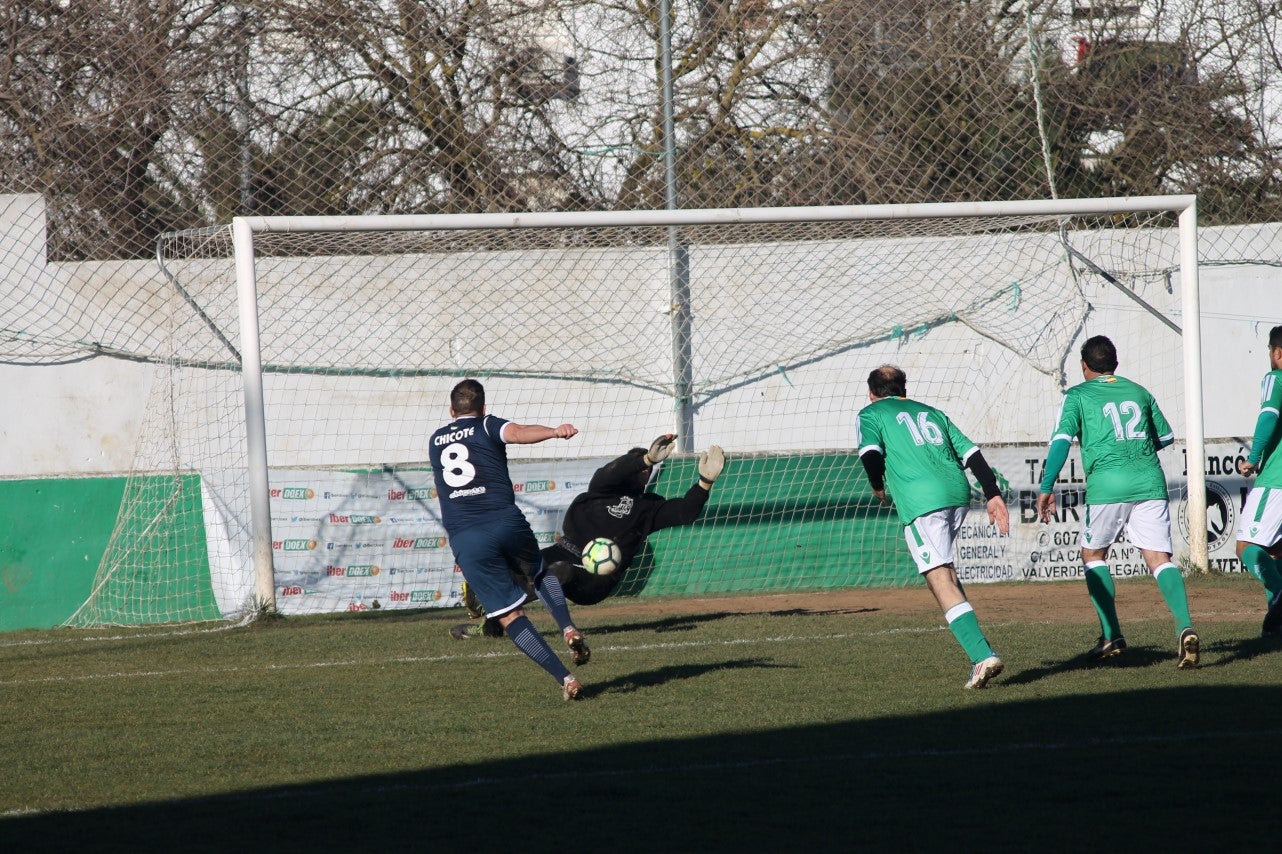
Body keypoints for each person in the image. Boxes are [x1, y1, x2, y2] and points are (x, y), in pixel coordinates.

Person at [452, 433, 726, 638]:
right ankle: (490, 627)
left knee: (558, 572)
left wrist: (705, 482)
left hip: (597, 579)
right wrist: (646, 458)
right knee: (512, 563)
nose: (644, 472)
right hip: (566, 549)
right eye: (640, 467)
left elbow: (685, 512)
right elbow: (611, 472)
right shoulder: (601, 488)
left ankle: (501, 609)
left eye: (648, 471)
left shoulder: (648, 508)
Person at [1035, 335, 1200, 668]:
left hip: (1107, 486)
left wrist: (1046, 485)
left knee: (1093, 554)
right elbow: (1164, 436)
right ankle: (1185, 625)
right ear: (1116, 363)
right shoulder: (1139, 392)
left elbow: (1061, 442)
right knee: (1159, 558)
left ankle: (1111, 635)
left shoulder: (1076, 396)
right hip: (1149, 481)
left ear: (1084, 366)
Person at [428, 378, 588, 700]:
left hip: (466, 537)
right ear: (483, 408)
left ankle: (566, 679)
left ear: (451, 409)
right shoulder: (486, 425)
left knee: (509, 616)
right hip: (504, 521)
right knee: (540, 573)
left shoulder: (435, 440)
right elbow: (517, 433)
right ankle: (568, 627)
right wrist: (555, 431)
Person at [856, 365, 1010, 689]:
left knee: (938, 576)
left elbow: (870, 453)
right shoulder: (931, 412)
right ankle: (978, 653)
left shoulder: (870, 414)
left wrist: (876, 485)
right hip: (957, 492)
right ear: (903, 391)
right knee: (945, 574)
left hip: (921, 500)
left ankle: (982, 655)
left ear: (872, 394)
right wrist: (993, 494)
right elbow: (972, 454)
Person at [1234, 324, 1282, 637]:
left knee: (1246, 546)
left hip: (1276, 481)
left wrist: (1253, 458)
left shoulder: (1275, 378)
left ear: (1277, 353)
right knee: (1276, 551)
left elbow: (1269, 415)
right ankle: (1276, 628)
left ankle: (1280, 596)